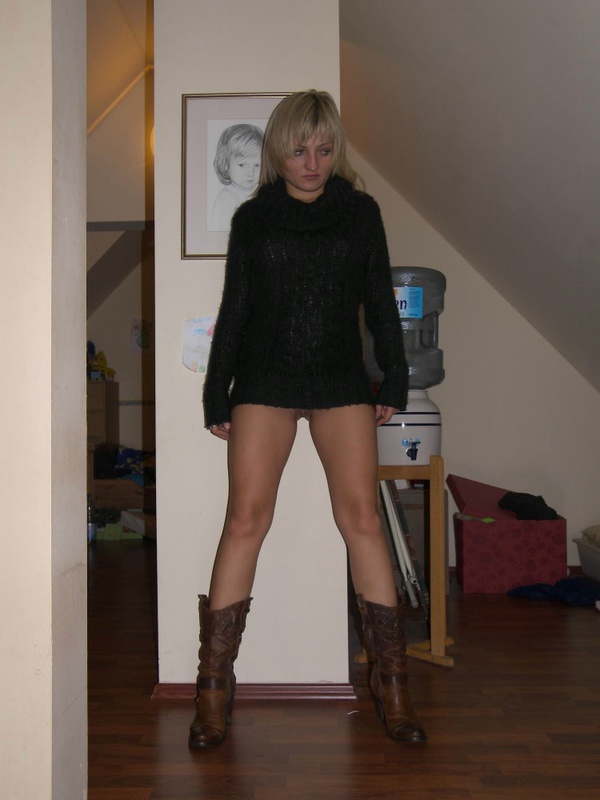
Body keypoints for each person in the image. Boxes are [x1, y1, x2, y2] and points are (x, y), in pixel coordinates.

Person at [190, 90, 426, 748]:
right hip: (263, 381)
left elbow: (379, 302)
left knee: (362, 519)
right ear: (279, 150)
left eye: (324, 149)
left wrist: (395, 378)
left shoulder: (360, 214)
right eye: (299, 150)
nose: (313, 163)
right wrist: (216, 393)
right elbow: (235, 309)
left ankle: (393, 688)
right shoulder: (253, 220)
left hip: (339, 381)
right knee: (245, 519)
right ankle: (213, 692)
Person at [210, 123, 263, 231]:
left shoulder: (264, 193)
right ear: (226, 164)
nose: (251, 173)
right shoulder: (226, 200)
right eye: (242, 165)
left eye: (257, 165)